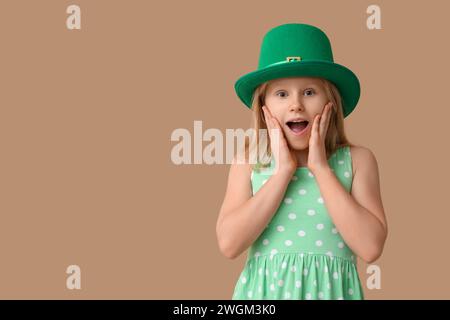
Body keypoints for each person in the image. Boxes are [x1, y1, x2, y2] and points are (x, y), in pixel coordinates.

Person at [216, 23, 388, 300]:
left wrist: (321, 169)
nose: (296, 105)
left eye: (309, 92)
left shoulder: (357, 160)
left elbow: (370, 247)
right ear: (265, 107)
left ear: (331, 102)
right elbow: (229, 244)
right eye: (281, 94)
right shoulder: (250, 162)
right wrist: (283, 172)